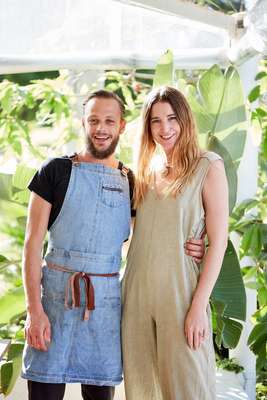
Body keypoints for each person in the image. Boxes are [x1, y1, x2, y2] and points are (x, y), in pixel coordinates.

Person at [21, 89, 204, 400]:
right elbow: (31, 244)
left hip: (104, 309)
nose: (100, 128)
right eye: (93, 120)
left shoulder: (132, 182)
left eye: (109, 121)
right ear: (83, 123)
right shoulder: (54, 170)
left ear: (122, 126)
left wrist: (198, 245)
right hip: (54, 303)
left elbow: (150, 236)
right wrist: (33, 310)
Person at [122, 86, 229, 400]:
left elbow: (219, 241)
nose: (164, 128)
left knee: (188, 388)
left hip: (180, 296)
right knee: (142, 390)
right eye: (155, 121)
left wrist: (198, 307)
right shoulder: (145, 172)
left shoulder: (208, 166)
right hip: (137, 296)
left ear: (185, 120)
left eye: (171, 118)